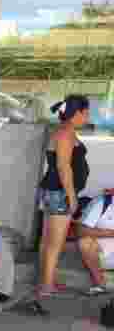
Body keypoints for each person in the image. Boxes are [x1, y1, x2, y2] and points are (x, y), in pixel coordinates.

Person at [38, 95, 90, 298]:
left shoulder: (64, 131)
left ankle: (45, 281)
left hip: (55, 190)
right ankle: (47, 285)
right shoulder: (65, 133)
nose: (87, 117)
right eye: (86, 113)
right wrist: (71, 196)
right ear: (77, 113)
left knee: (48, 240)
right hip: (60, 192)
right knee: (55, 242)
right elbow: (63, 166)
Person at [75, 187, 114, 296]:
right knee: (84, 242)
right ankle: (100, 284)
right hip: (102, 254)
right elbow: (81, 230)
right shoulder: (102, 202)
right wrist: (110, 233)